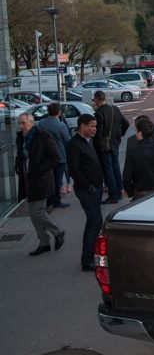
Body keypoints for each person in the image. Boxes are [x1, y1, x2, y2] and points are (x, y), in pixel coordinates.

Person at [15, 113, 65, 256]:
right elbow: (20, 156)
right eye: (19, 123)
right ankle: (44, 243)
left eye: (23, 123)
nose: (21, 126)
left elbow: (55, 158)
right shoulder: (21, 138)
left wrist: (39, 171)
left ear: (31, 123)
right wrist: (18, 166)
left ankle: (57, 232)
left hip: (41, 181)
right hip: (27, 182)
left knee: (37, 212)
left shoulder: (43, 136)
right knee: (33, 214)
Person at [66, 114, 104, 271]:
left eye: (95, 126)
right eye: (92, 126)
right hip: (87, 190)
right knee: (94, 222)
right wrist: (89, 186)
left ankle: (91, 256)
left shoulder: (88, 141)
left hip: (95, 188)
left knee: (95, 222)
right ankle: (87, 260)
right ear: (82, 126)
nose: (95, 129)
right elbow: (74, 170)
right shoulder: (74, 144)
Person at [92, 90, 130, 204]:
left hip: (105, 145)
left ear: (97, 100)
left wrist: (96, 146)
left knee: (108, 169)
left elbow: (99, 133)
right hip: (115, 142)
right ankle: (119, 191)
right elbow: (126, 123)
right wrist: (120, 134)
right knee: (116, 167)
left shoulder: (99, 113)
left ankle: (113, 194)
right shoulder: (115, 109)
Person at [123, 118, 154, 200]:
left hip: (140, 194)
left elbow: (127, 176)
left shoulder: (133, 151)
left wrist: (130, 191)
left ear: (140, 133)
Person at [37, 102, 71, 209]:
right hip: (59, 156)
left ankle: (48, 200)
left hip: (45, 155)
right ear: (59, 112)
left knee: (48, 179)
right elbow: (67, 140)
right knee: (57, 180)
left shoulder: (41, 123)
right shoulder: (61, 125)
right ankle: (56, 201)